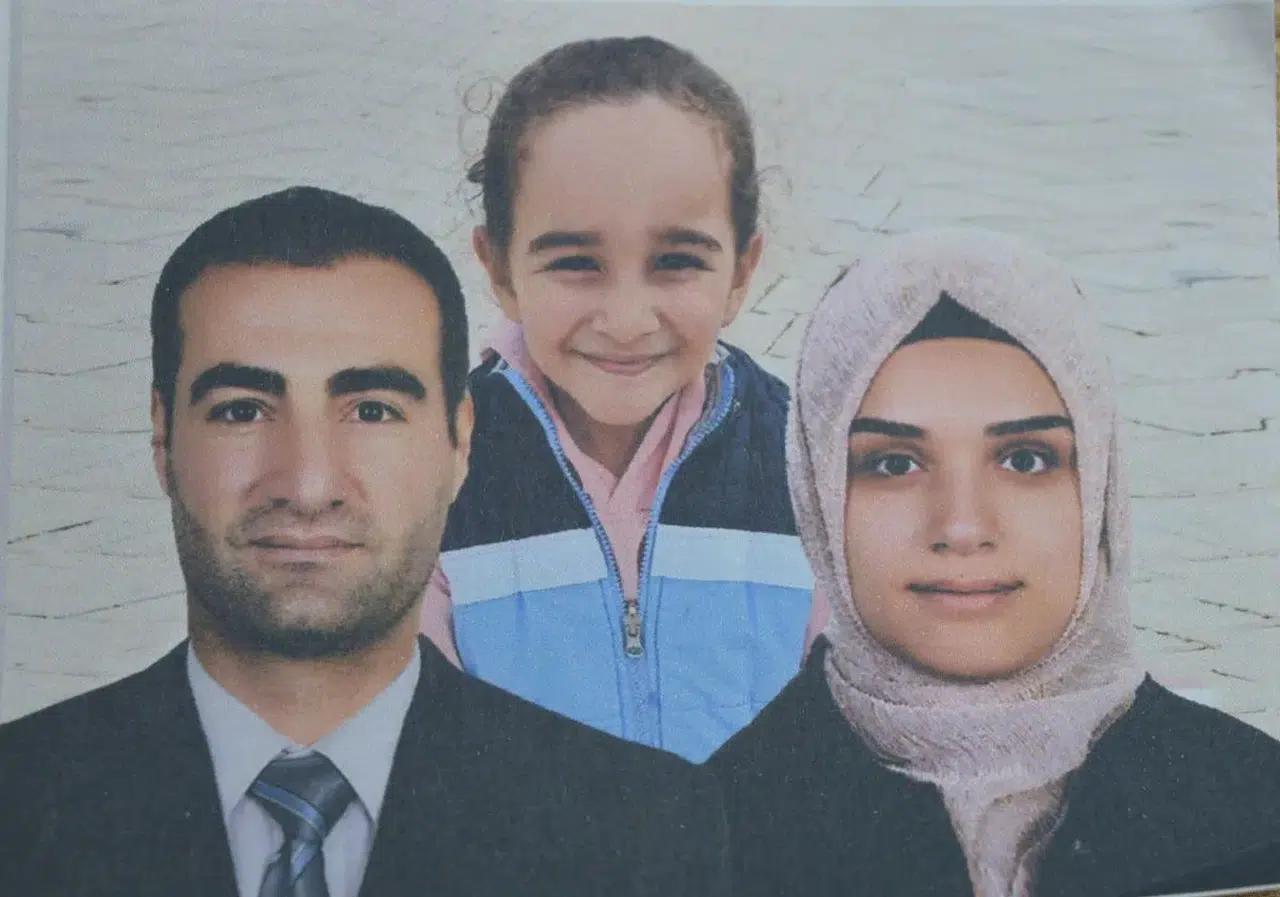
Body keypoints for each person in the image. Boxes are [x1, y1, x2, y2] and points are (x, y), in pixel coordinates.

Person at [0, 187, 732, 897]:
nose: (308, 485)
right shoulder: (19, 808)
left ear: (459, 442)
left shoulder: (644, 836)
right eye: (242, 410)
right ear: (163, 438)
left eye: (373, 410)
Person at [709, 229, 1280, 897]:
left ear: (1098, 491)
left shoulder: (1256, 807)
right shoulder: (706, 837)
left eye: (1025, 459)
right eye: (893, 464)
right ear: (818, 497)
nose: (962, 527)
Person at [422, 35, 827, 764]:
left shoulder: (807, 465)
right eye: (576, 262)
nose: (627, 319)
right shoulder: (437, 468)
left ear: (742, 272)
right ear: (499, 270)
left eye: (676, 261)